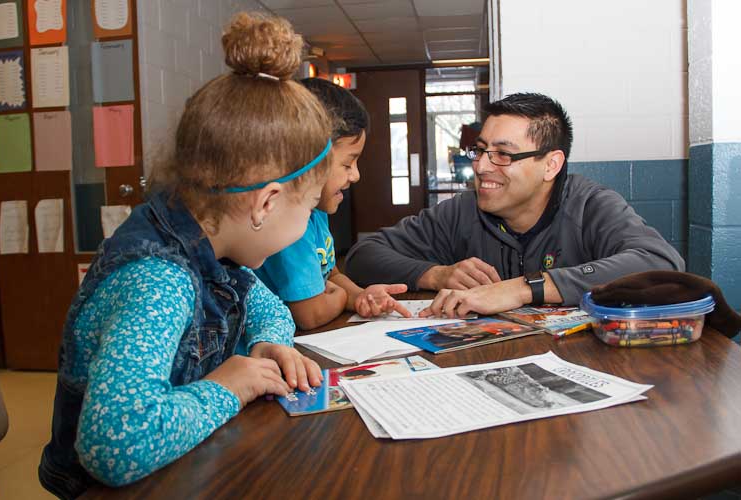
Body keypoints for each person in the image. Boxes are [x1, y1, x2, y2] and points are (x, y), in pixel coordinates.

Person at [39, 13, 331, 498]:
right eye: (309, 207)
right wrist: (229, 386)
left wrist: (268, 342)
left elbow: (269, 308)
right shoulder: (159, 281)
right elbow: (115, 446)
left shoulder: (213, 238)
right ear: (266, 203)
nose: (309, 222)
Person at [344, 93, 684, 318]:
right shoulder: (462, 211)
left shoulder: (590, 206)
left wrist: (525, 288)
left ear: (551, 165)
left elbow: (662, 264)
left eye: (503, 155)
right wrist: (436, 274)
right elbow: (362, 256)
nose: (481, 166)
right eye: (480, 150)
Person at [255, 78, 410, 330]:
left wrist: (359, 295)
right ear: (311, 159)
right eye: (348, 164)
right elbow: (310, 313)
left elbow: (331, 274)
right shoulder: (291, 224)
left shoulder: (317, 213)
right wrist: (339, 296)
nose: (356, 175)